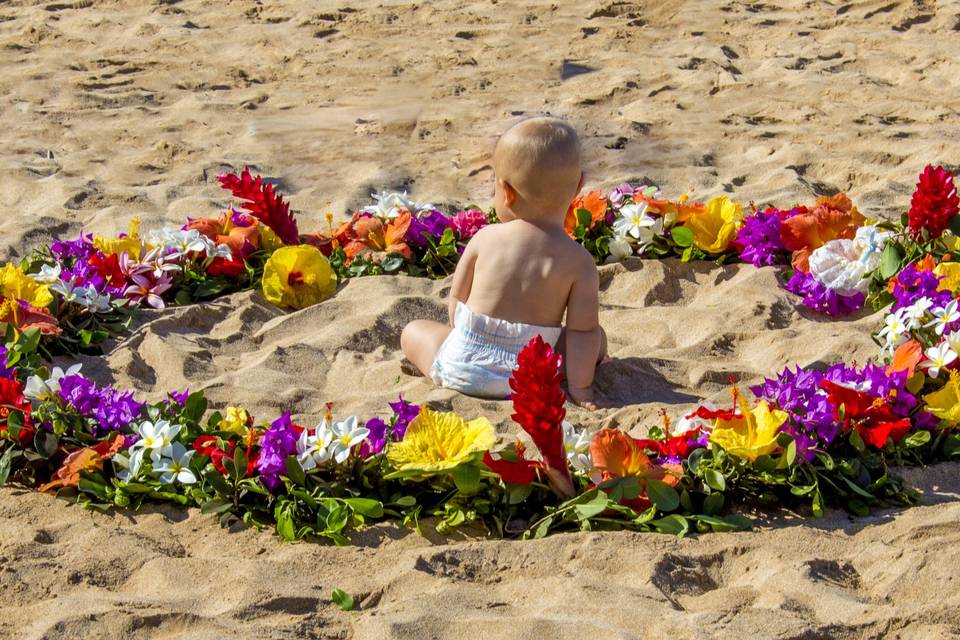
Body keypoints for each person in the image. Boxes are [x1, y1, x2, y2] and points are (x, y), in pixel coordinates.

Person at [400, 116, 607, 408]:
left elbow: (456, 303)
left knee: (413, 331)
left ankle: (459, 362)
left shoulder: (485, 238)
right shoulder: (579, 261)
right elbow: (581, 333)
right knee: (596, 339)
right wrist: (581, 388)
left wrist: (469, 339)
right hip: (530, 376)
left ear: (507, 193)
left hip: (462, 366)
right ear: (579, 187)